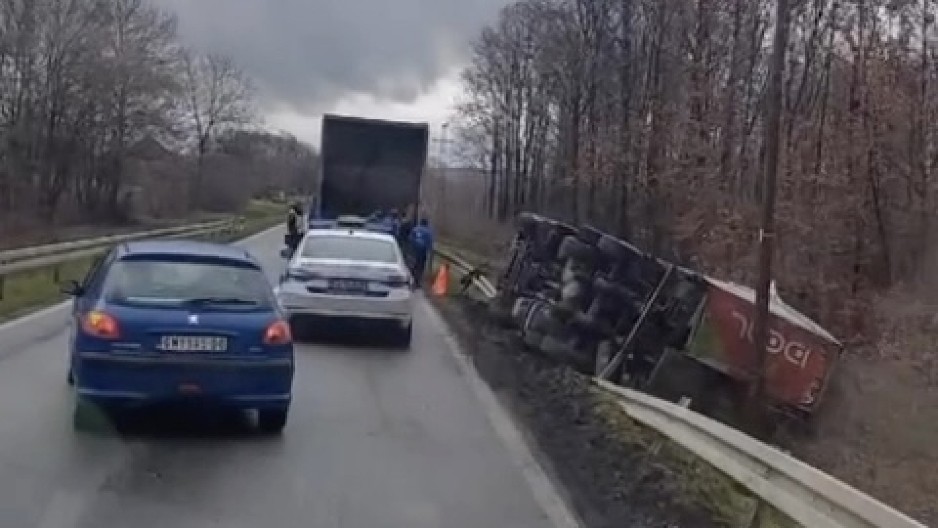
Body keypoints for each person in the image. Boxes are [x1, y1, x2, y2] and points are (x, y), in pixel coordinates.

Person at [409, 218, 434, 287]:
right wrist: (431, 252)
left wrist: (412, 247)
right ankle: (417, 281)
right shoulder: (428, 231)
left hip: (414, 250)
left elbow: (410, 238)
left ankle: (412, 277)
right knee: (421, 266)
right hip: (423, 251)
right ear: (426, 224)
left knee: (414, 264)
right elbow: (430, 243)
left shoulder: (415, 229)